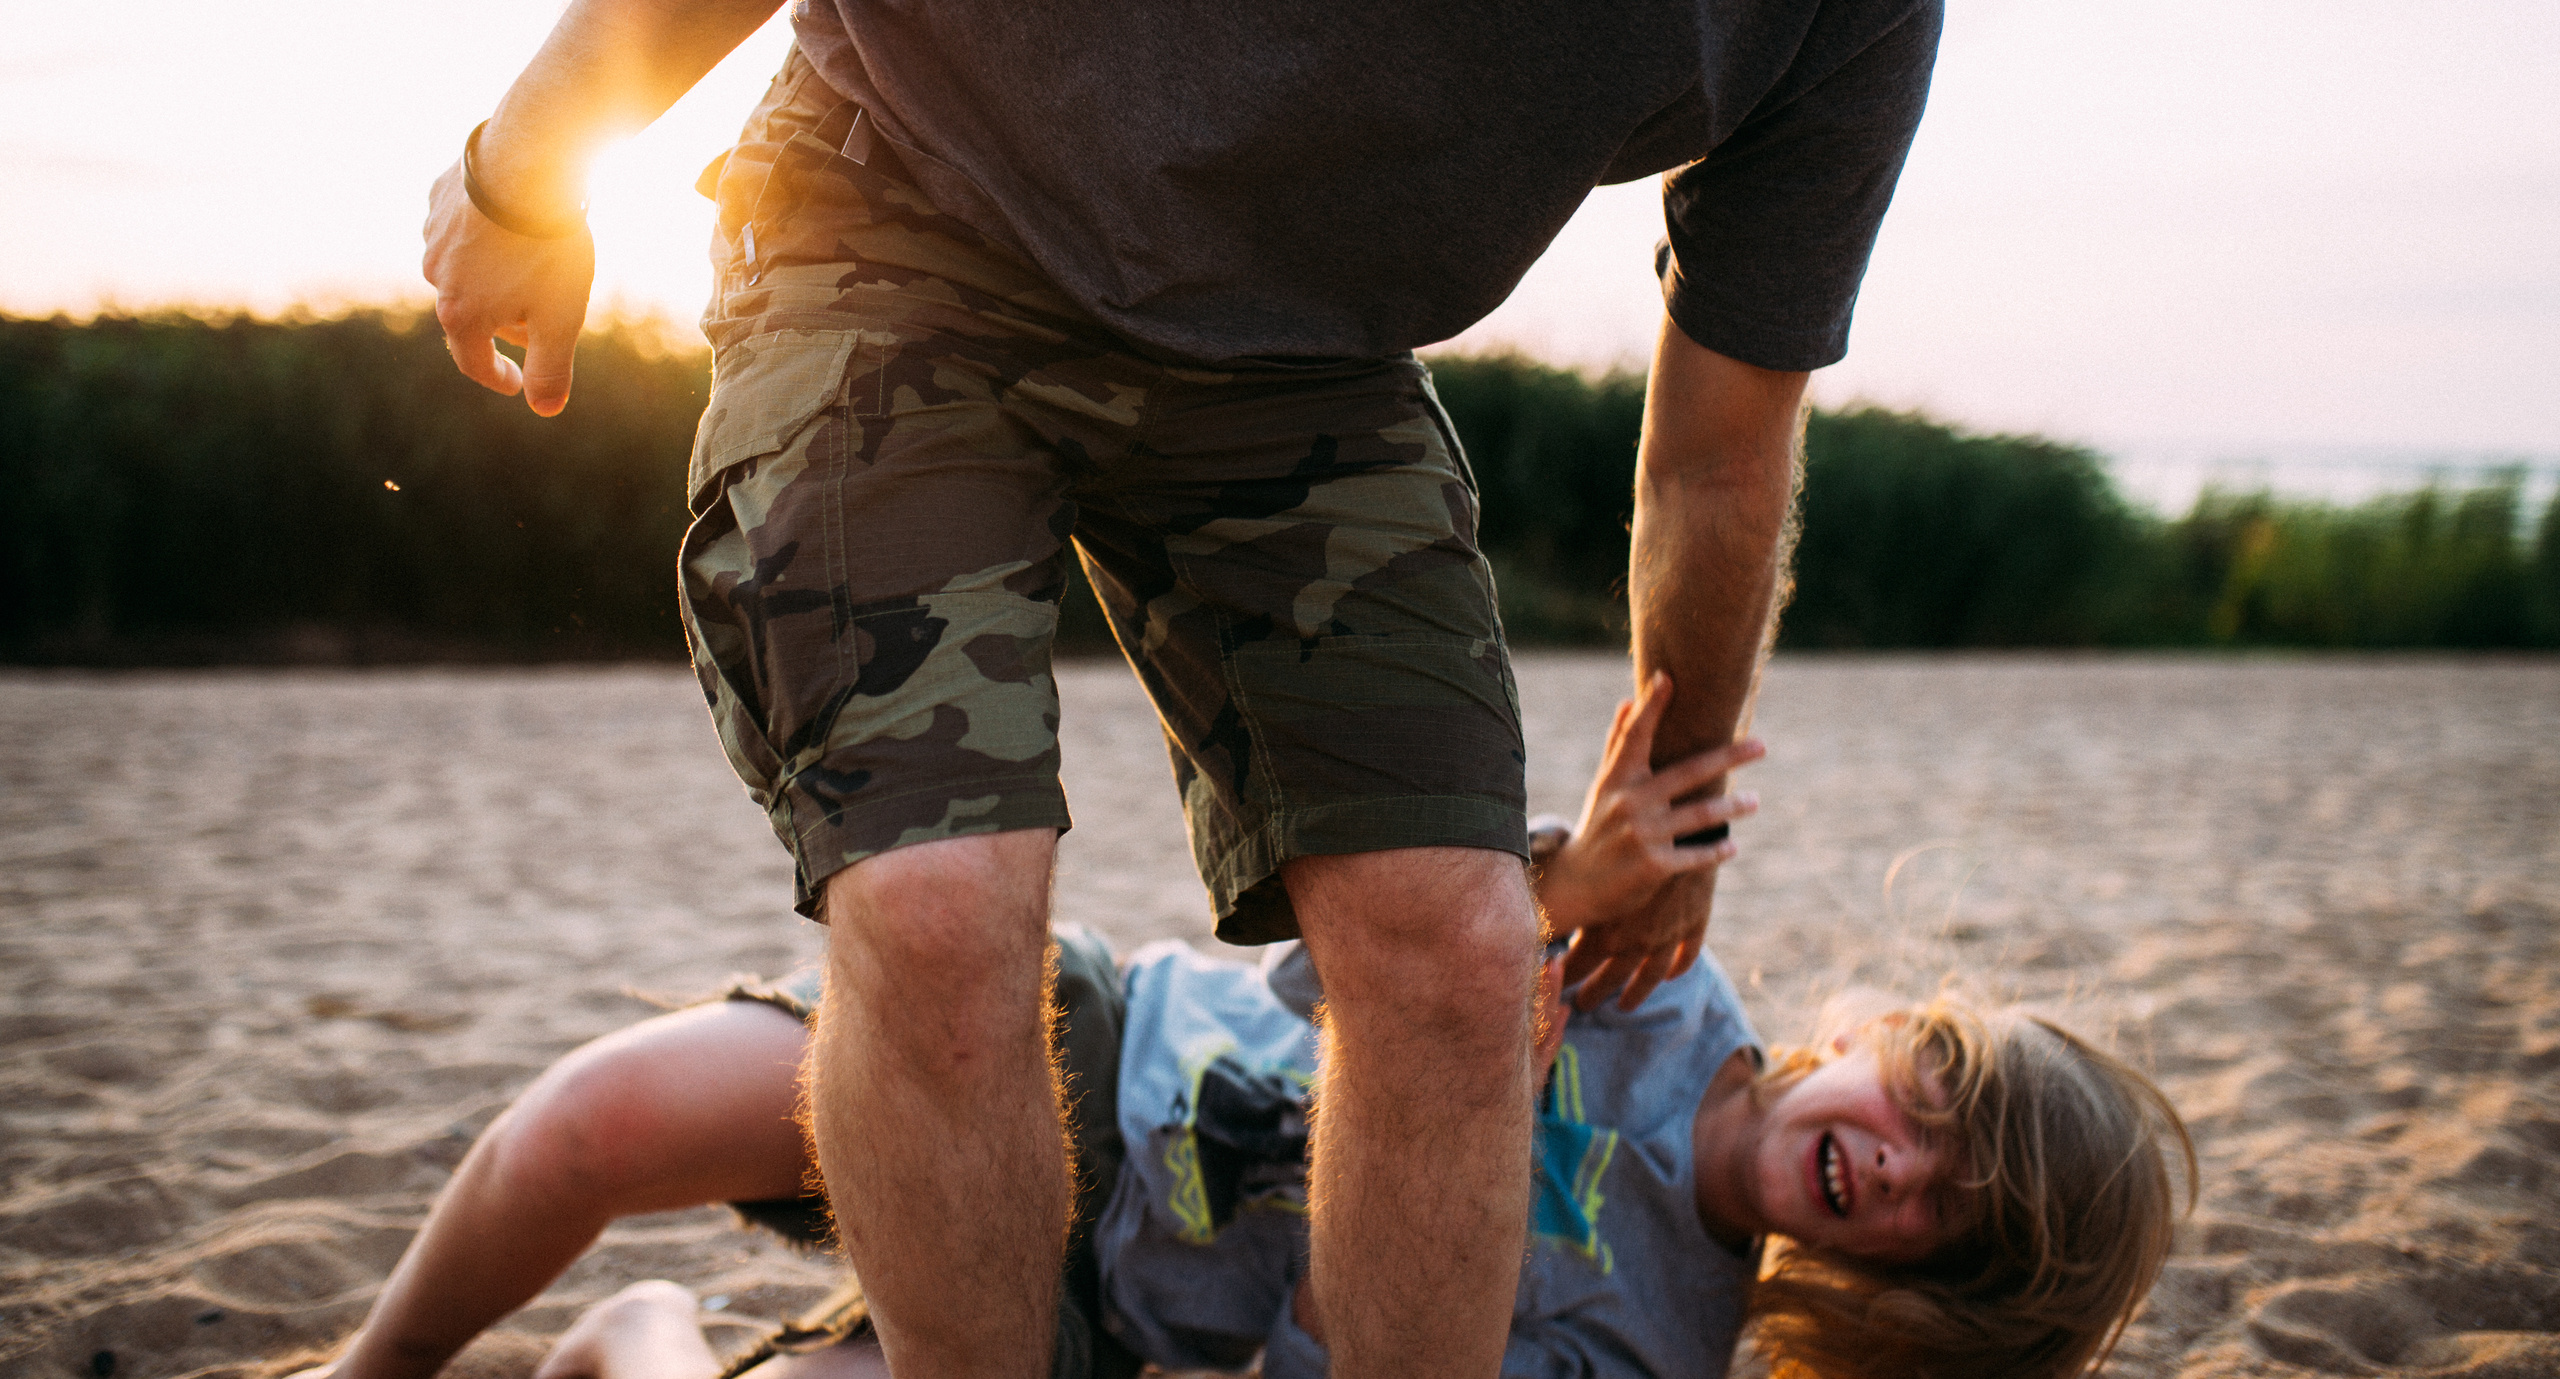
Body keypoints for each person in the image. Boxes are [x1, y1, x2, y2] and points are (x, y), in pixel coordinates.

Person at [416, 0, 2381, 1370]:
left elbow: (1716, 445)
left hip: (1295, 368)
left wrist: (1678, 783)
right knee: (940, 902)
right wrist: (534, 163)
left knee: (1449, 959)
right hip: (906, 219)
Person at [292, 681, 2193, 1379]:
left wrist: (1438, 1162)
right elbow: (1316, 959)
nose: (1900, 1156)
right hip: (1072, 1045)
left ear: (1928, 1292)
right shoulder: (1654, 981)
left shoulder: (1654, 1346)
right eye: (1934, 1099)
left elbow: (1330, 1367)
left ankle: (639, 1340)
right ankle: (375, 1365)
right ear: (1884, 1037)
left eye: (1953, 1208)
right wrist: (1541, 899)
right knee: (598, 1126)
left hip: (1084, 1322)